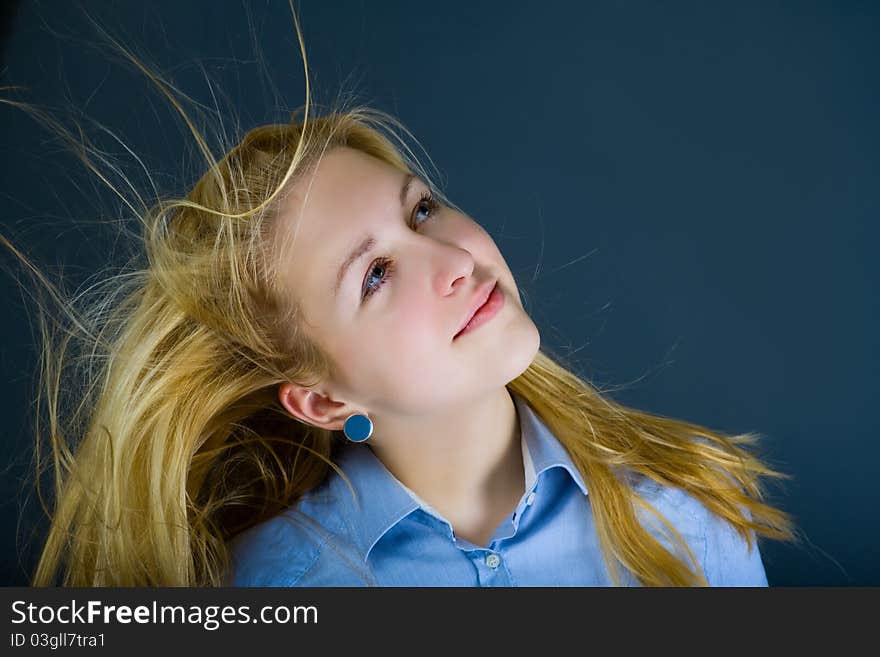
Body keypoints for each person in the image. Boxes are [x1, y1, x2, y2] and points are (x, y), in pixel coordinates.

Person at [2, 7, 799, 588]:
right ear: (319, 397)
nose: (451, 257)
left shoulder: (690, 524)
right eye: (375, 274)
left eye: (421, 210)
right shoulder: (275, 587)